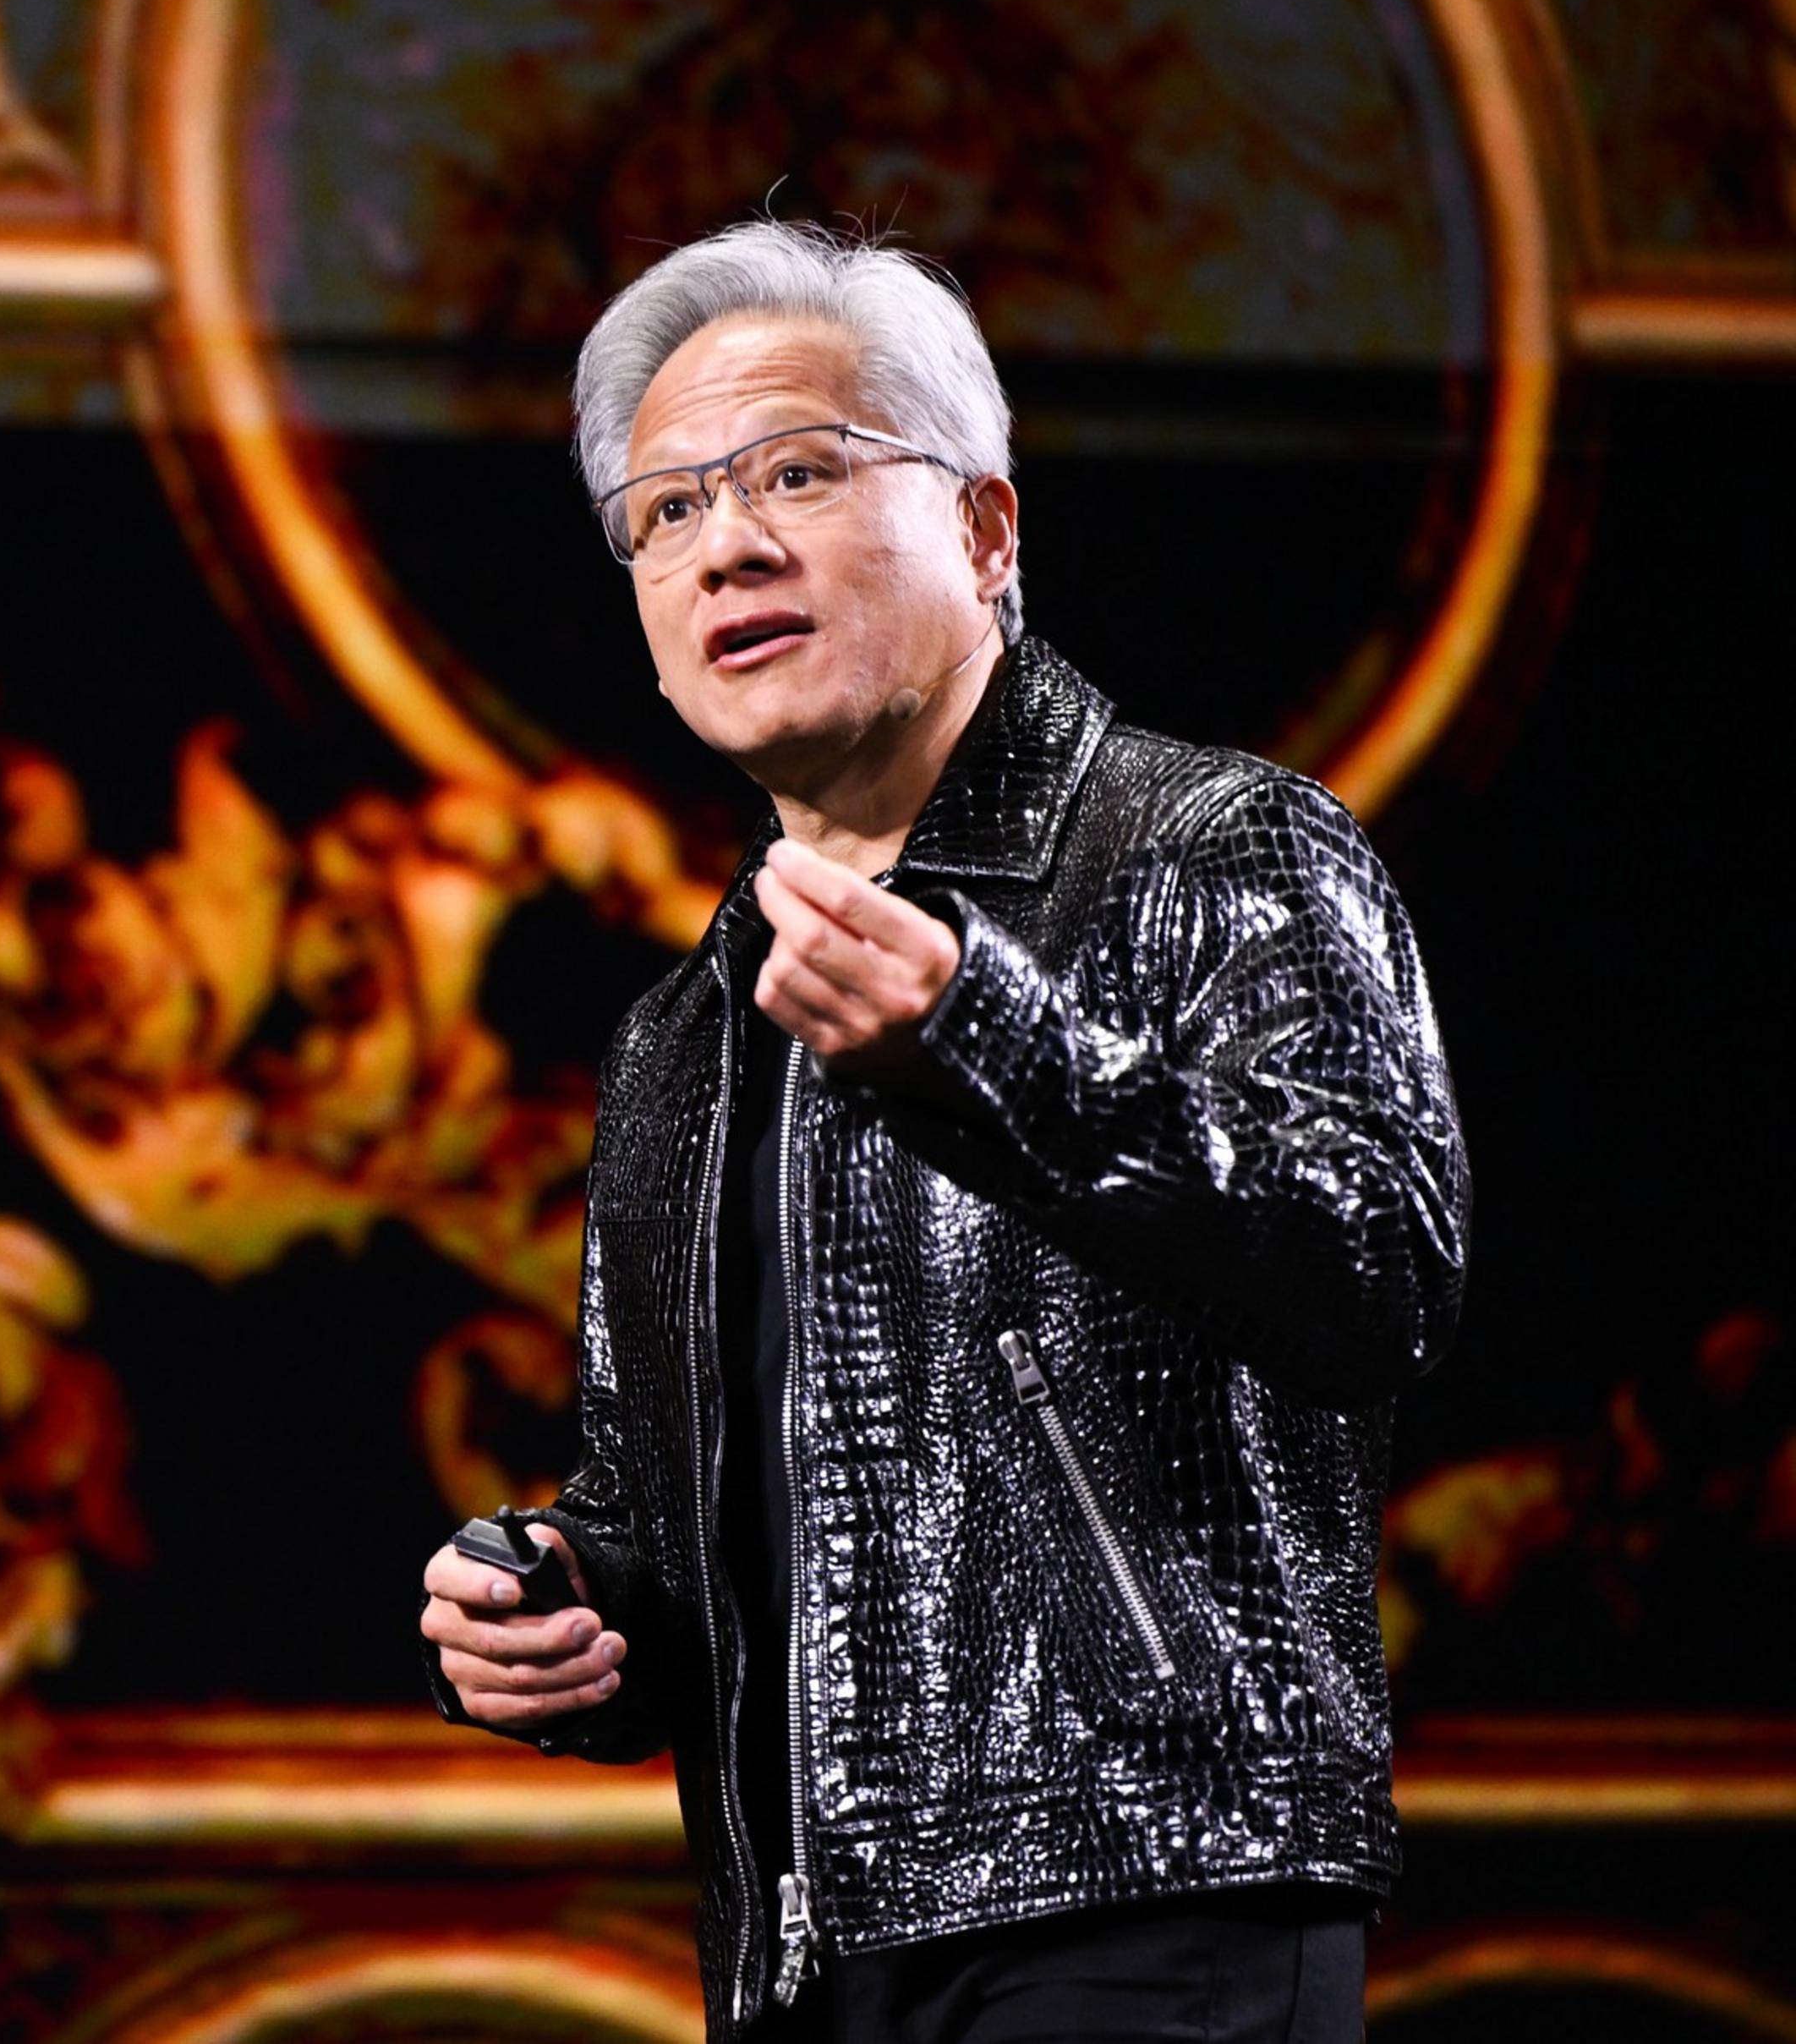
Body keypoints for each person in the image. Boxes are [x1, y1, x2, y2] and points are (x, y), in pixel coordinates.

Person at [417, 222, 1465, 2041]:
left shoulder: (1218, 845)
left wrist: (983, 1035)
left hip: (1154, 1893)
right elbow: (688, 1520)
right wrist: (576, 1606)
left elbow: (1376, 1264)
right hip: (800, 1947)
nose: (723, 542)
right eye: (661, 513)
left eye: (797, 473)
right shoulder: (682, 1034)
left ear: (985, 531)